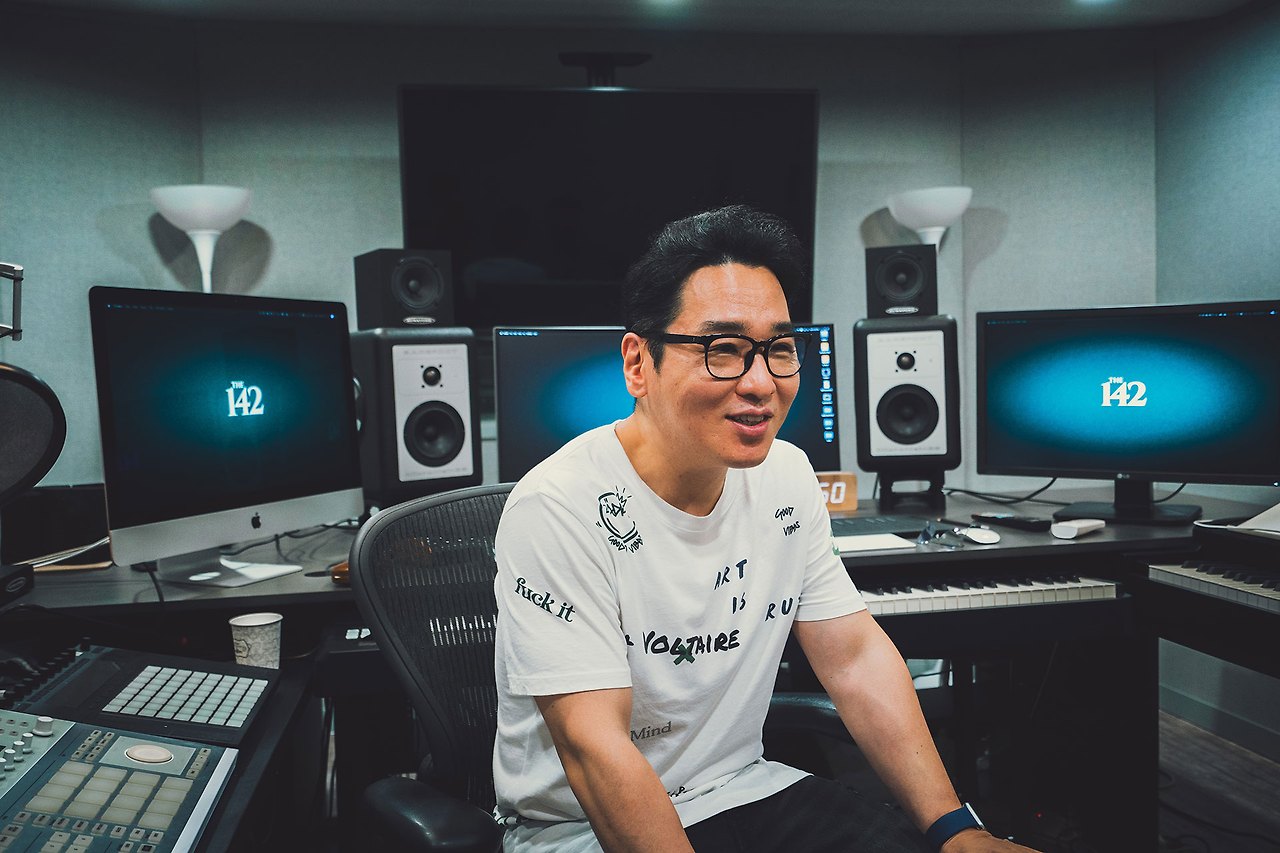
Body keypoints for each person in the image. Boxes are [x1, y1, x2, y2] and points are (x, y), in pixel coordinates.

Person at [491, 205, 1038, 853]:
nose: (760, 383)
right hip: (577, 829)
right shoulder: (558, 506)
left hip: (740, 786)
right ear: (639, 364)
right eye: (722, 349)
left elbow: (854, 656)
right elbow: (594, 746)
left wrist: (955, 828)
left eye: (778, 349)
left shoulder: (786, 475)